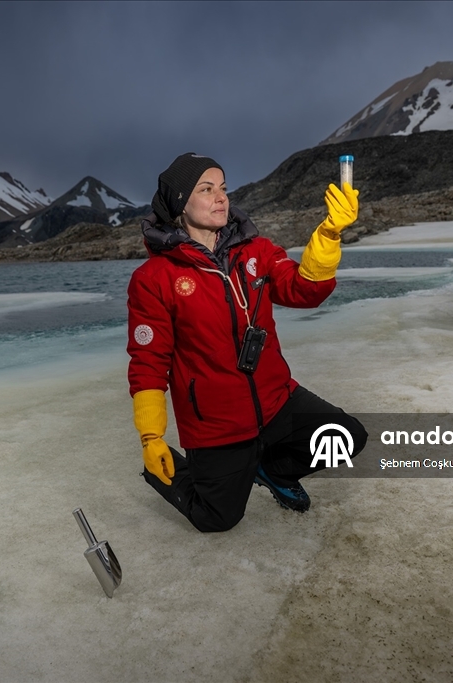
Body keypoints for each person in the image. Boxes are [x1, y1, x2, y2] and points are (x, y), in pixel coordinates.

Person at [127, 152, 368, 532]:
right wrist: (151, 437)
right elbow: (149, 362)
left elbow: (304, 291)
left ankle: (274, 470)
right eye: (206, 189)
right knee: (215, 519)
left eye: (223, 188)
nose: (221, 197)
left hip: (275, 401)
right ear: (180, 203)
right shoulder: (154, 278)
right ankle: (165, 471)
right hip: (215, 423)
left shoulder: (257, 251)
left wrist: (328, 235)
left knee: (347, 436)